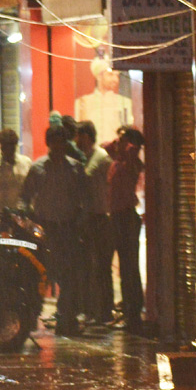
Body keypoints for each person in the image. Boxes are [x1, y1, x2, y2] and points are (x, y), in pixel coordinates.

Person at [19, 127, 88, 337]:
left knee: (68, 277)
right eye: (55, 142)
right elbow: (25, 196)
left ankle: (66, 318)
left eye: (62, 142)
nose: (58, 146)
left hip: (67, 228)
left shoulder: (75, 168)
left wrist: (81, 223)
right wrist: (26, 219)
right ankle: (30, 318)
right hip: (44, 228)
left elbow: (85, 199)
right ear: (49, 143)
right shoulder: (38, 168)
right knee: (40, 273)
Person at [105, 126, 146, 334]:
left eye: (122, 140)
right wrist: (119, 142)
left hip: (126, 216)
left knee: (130, 268)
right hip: (117, 217)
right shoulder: (119, 160)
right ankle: (129, 311)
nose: (117, 142)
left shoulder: (132, 162)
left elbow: (132, 155)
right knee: (124, 267)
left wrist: (130, 145)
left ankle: (134, 313)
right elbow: (106, 147)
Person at [75, 121, 114, 325]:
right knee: (89, 267)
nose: (76, 140)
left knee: (101, 266)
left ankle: (105, 311)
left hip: (101, 217)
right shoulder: (84, 158)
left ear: (87, 136)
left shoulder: (100, 158)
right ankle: (93, 310)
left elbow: (109, 185)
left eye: (79, 136)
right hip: (88, 219)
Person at [0, 129, 32, 241]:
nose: (9, 150)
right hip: (1, 223)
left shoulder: (26, 163)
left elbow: (30, 193)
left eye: (12, 146)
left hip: (23, 221)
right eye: (6, 146)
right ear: (0, 146)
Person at [75, 58, 133, 149]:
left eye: (117, 76)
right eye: (110, 75)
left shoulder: (125, 102)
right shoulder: (82, 102)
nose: (115, 79)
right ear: (99, 76)